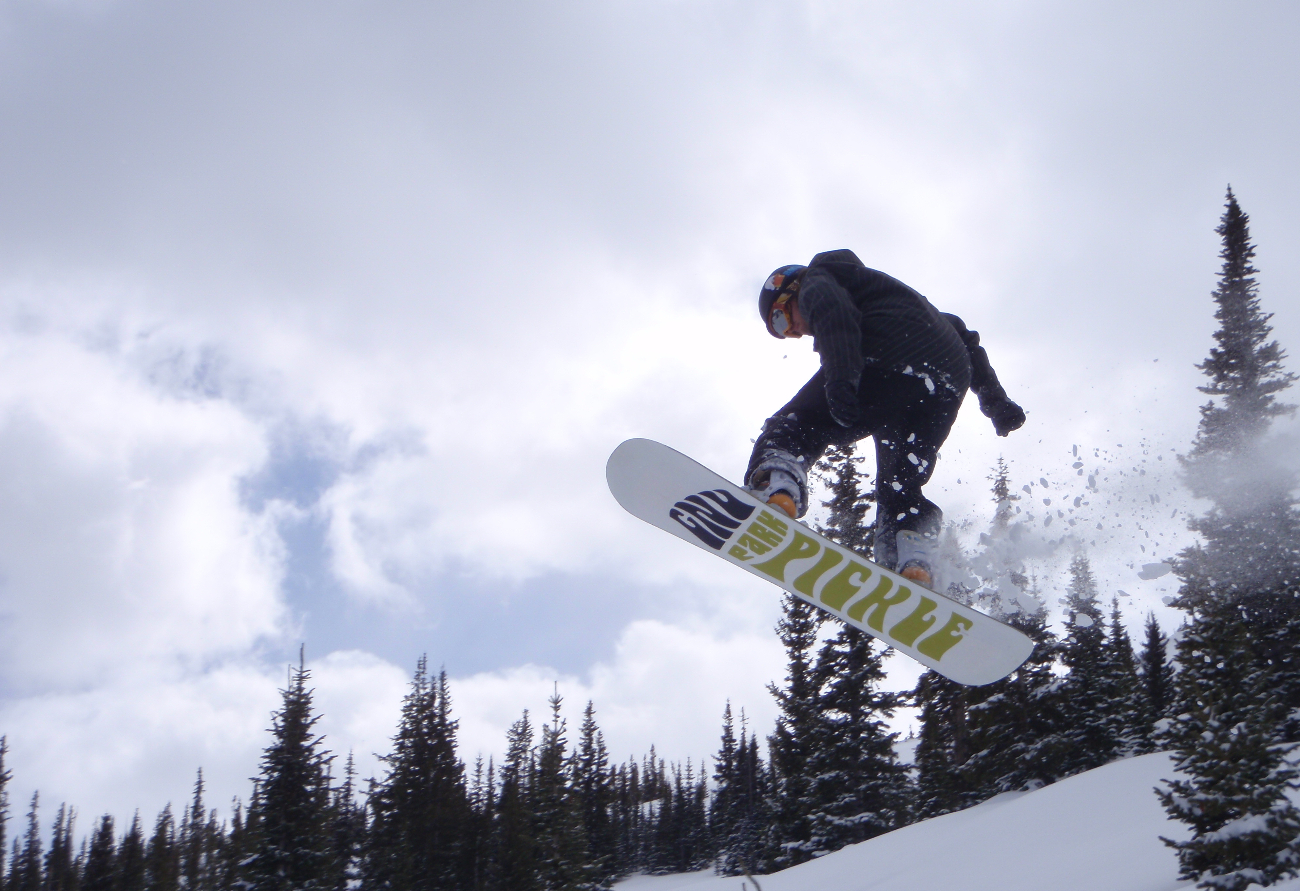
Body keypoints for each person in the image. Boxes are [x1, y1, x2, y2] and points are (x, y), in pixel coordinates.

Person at [745, 249, 1025, 588]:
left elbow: (836, 315)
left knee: (792, 427)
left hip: (887, 358)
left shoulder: (817, 279)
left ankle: (777, 488)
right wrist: (997, 402)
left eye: (781, 320)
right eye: (783, 332)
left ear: (789, 290)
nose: (796, 332)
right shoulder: (907, 303)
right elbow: (963, 338)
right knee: (901, 482)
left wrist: (841, 382)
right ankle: (912, 558)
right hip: (943, 386)